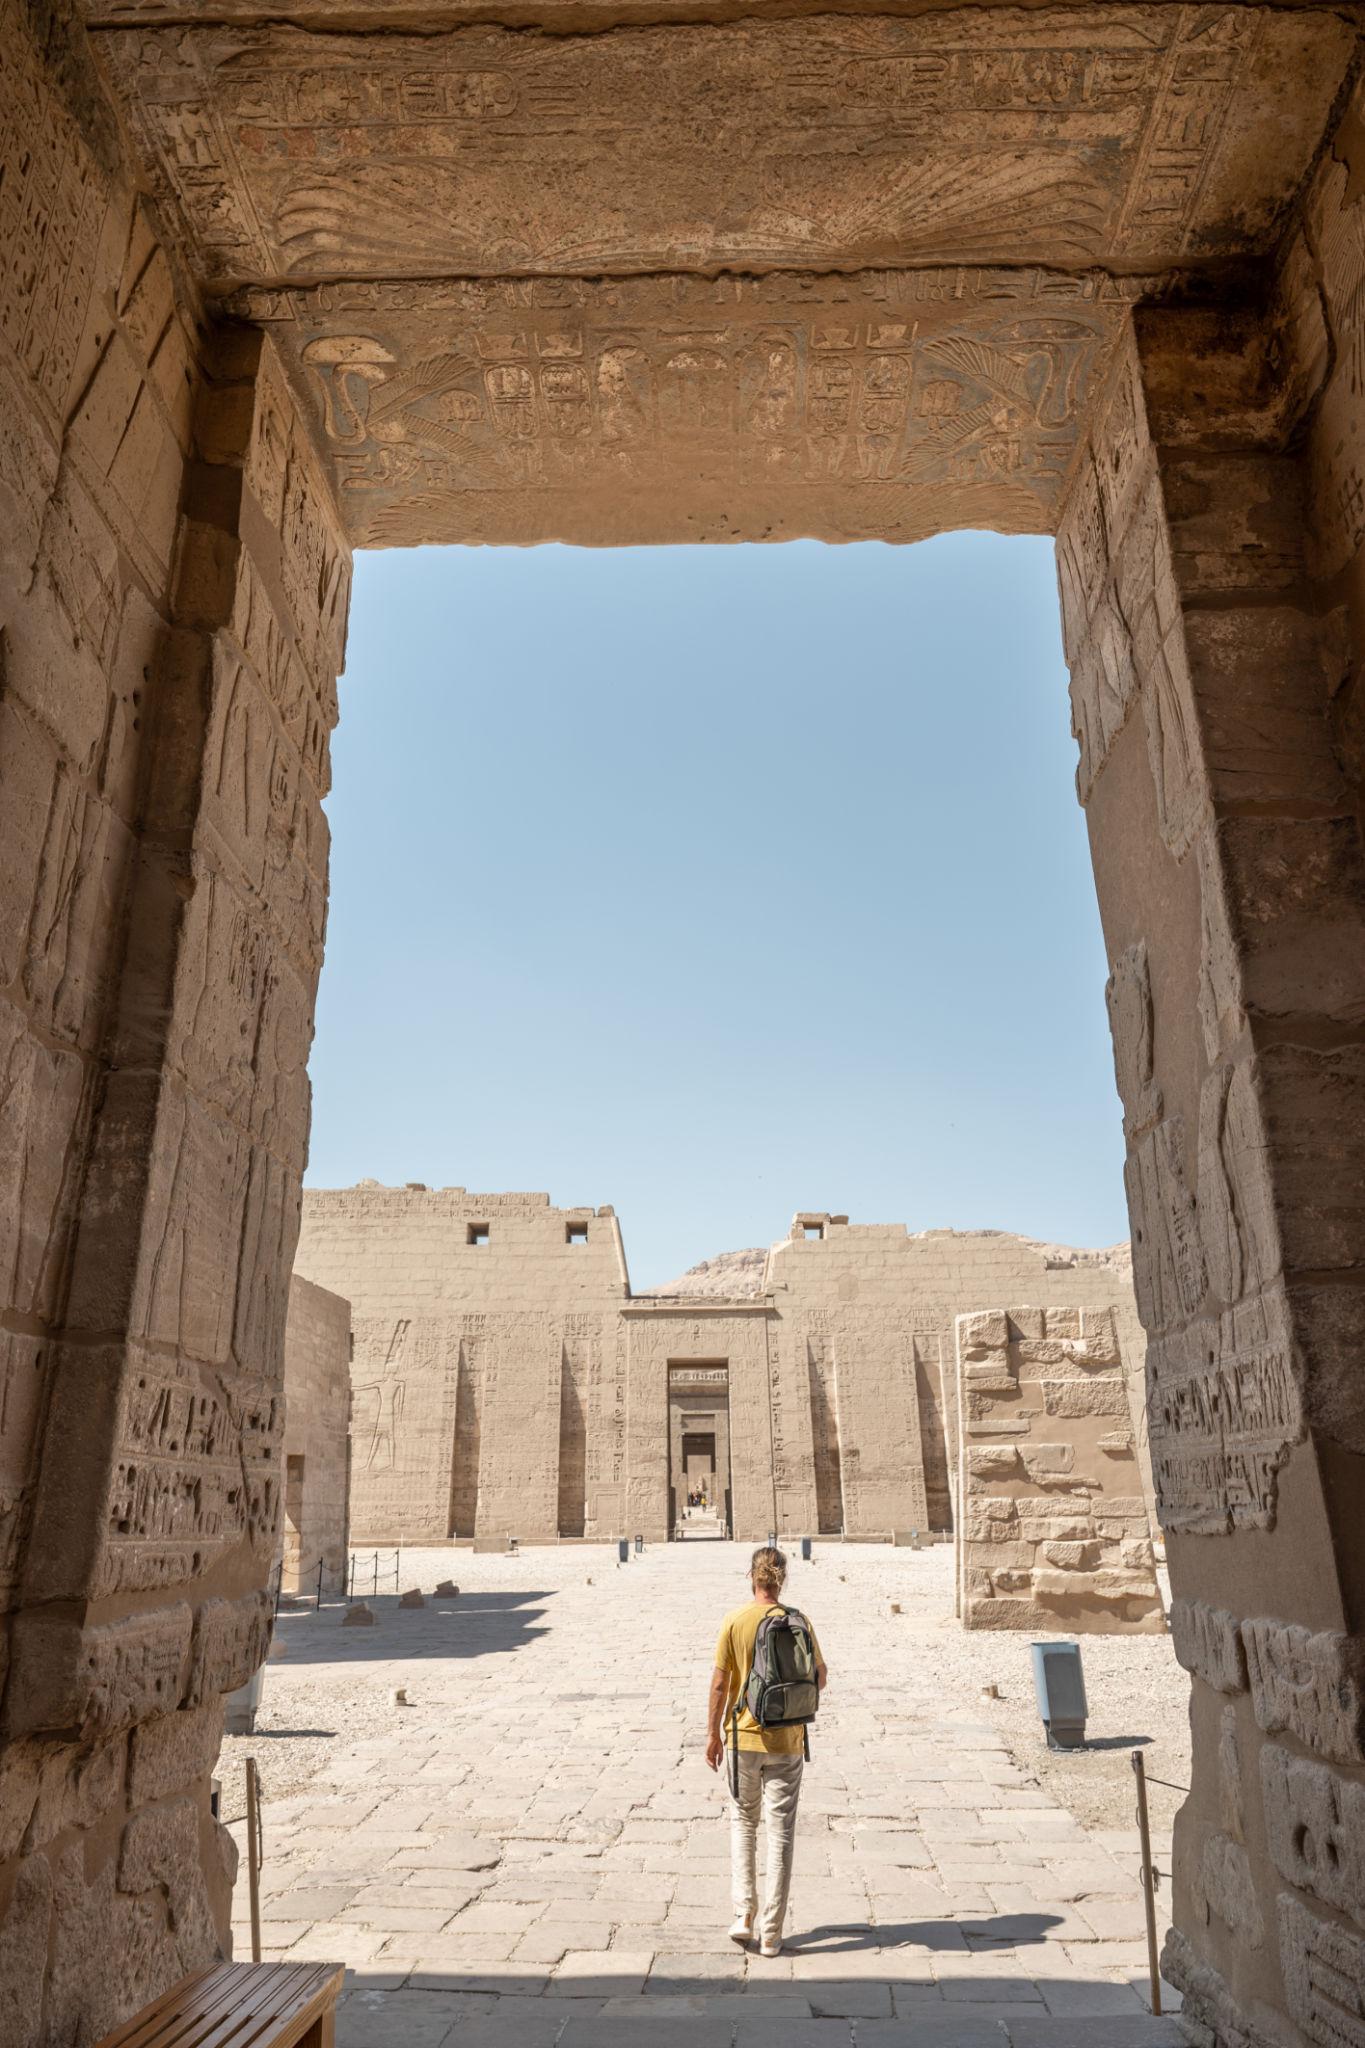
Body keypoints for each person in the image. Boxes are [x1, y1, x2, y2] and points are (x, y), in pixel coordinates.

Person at [705, 1545, 827, 1956]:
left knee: (744, 1823)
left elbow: (720, 1685)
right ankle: (772, 1932)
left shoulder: (735, 1620)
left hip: (743, 1738)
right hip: (788, 1740)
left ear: (751, 1577)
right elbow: (819, 1677)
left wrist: (712, 1734)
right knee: (781, 1833)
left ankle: (744, 1916)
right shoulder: (799, 1621)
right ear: (782, 1580)